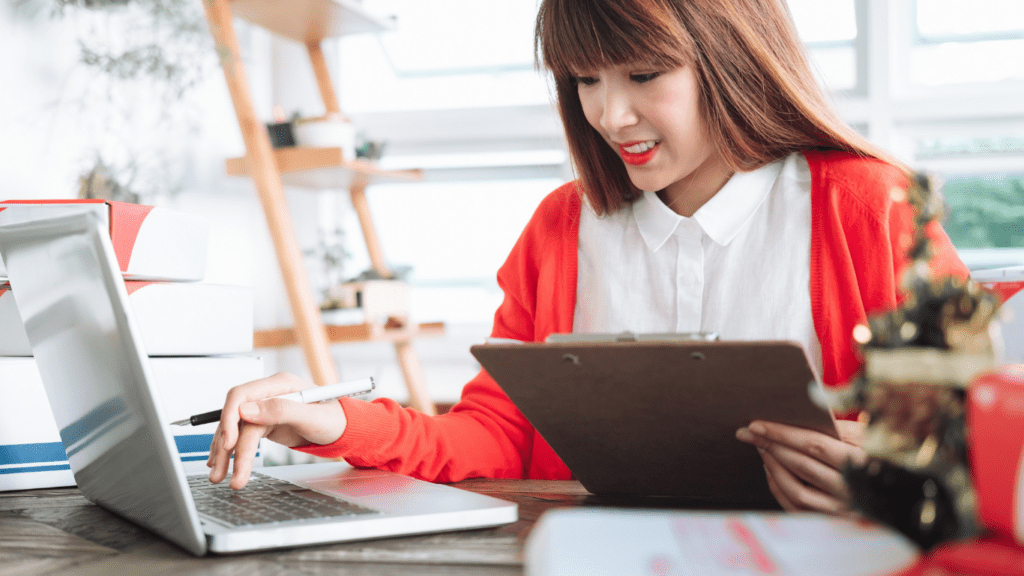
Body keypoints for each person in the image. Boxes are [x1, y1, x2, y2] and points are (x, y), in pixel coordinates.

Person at [207, 0, 968, 515]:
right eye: (585, 81)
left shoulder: (870, 207)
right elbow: (494, 438)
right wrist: (330, 420)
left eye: (643, 75)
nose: (608, 114)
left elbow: (976, 437)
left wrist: (884, 464)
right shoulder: (561, 227)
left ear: (732, 57)